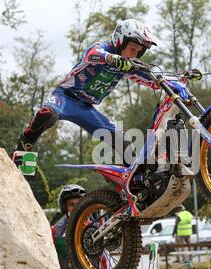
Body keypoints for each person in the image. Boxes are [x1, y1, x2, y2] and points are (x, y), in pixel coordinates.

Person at [13, 19, 159, 167]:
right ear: (120, 41)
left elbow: (152, 81)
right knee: (46, 115)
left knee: (122, 141)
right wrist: (112, 58)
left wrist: (174, 80)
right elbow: (92, 54)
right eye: (133, 48)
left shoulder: (127, 65)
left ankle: (130, 184)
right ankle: (23, 156)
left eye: (139, 52)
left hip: (86, 108)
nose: (135, 54)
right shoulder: (102, 49)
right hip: (64, 97)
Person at [52, 184, 86, 269]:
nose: (75, 208)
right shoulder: (55, 231)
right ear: (65, 207)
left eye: (79, 204)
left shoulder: (95, 229)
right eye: (71, 205)